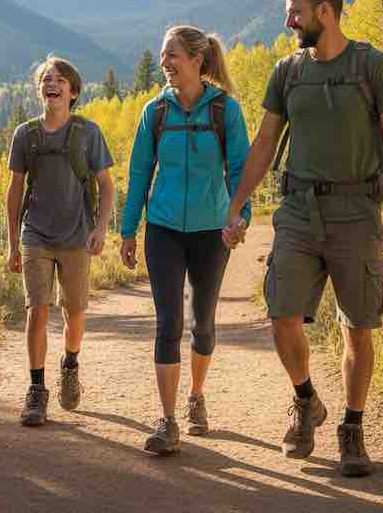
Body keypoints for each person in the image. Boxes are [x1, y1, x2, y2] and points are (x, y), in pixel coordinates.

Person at [224, 0, 383, 477]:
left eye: (296, 12)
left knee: (358, 327)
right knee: (282, 312)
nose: (289, 21)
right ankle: (306, 401)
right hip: (298, 213)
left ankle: (352, 429)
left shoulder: (373, 67)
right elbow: (265, 144)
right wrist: (237, 205)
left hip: (357, 214)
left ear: (325, 12)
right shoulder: (287, 72)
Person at [120, 25, 251, 455]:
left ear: (198, 60)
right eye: (162, 56)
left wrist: (239, 217)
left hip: (211, 231)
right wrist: (127, 230)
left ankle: (196, 395)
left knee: (203, 323)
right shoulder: (155, 112)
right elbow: (140, 172)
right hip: (162, 229)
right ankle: (169, 419)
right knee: (167, 322)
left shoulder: (224, 110)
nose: (165, 63)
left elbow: (240, 168)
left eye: (172, 55)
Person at [6, 56, 114, 427]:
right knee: (37, 309)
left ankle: (70, 362)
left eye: (59, 79)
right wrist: (11, 242)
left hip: (77, 235)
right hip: (35, 233)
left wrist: (100, 228)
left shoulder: (88, 133)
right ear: (40, 90)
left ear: (73, 91)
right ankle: (36, 390)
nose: (51, 84)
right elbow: (15, 188)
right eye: (45, 80)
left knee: (75, 312)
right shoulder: (25, 134)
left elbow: (106, 185)